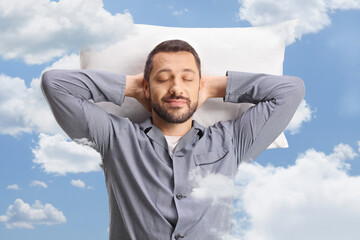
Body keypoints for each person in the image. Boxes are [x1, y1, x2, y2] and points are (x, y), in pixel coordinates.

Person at [41, 39, 305, 240]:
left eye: (187, 79)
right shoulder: (115, 138)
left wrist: (213, 86)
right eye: (163, 79)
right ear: (147, 87)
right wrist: (131, 87)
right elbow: (56, 84)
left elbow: (289, 90)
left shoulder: (232, 141)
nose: (176, 88)